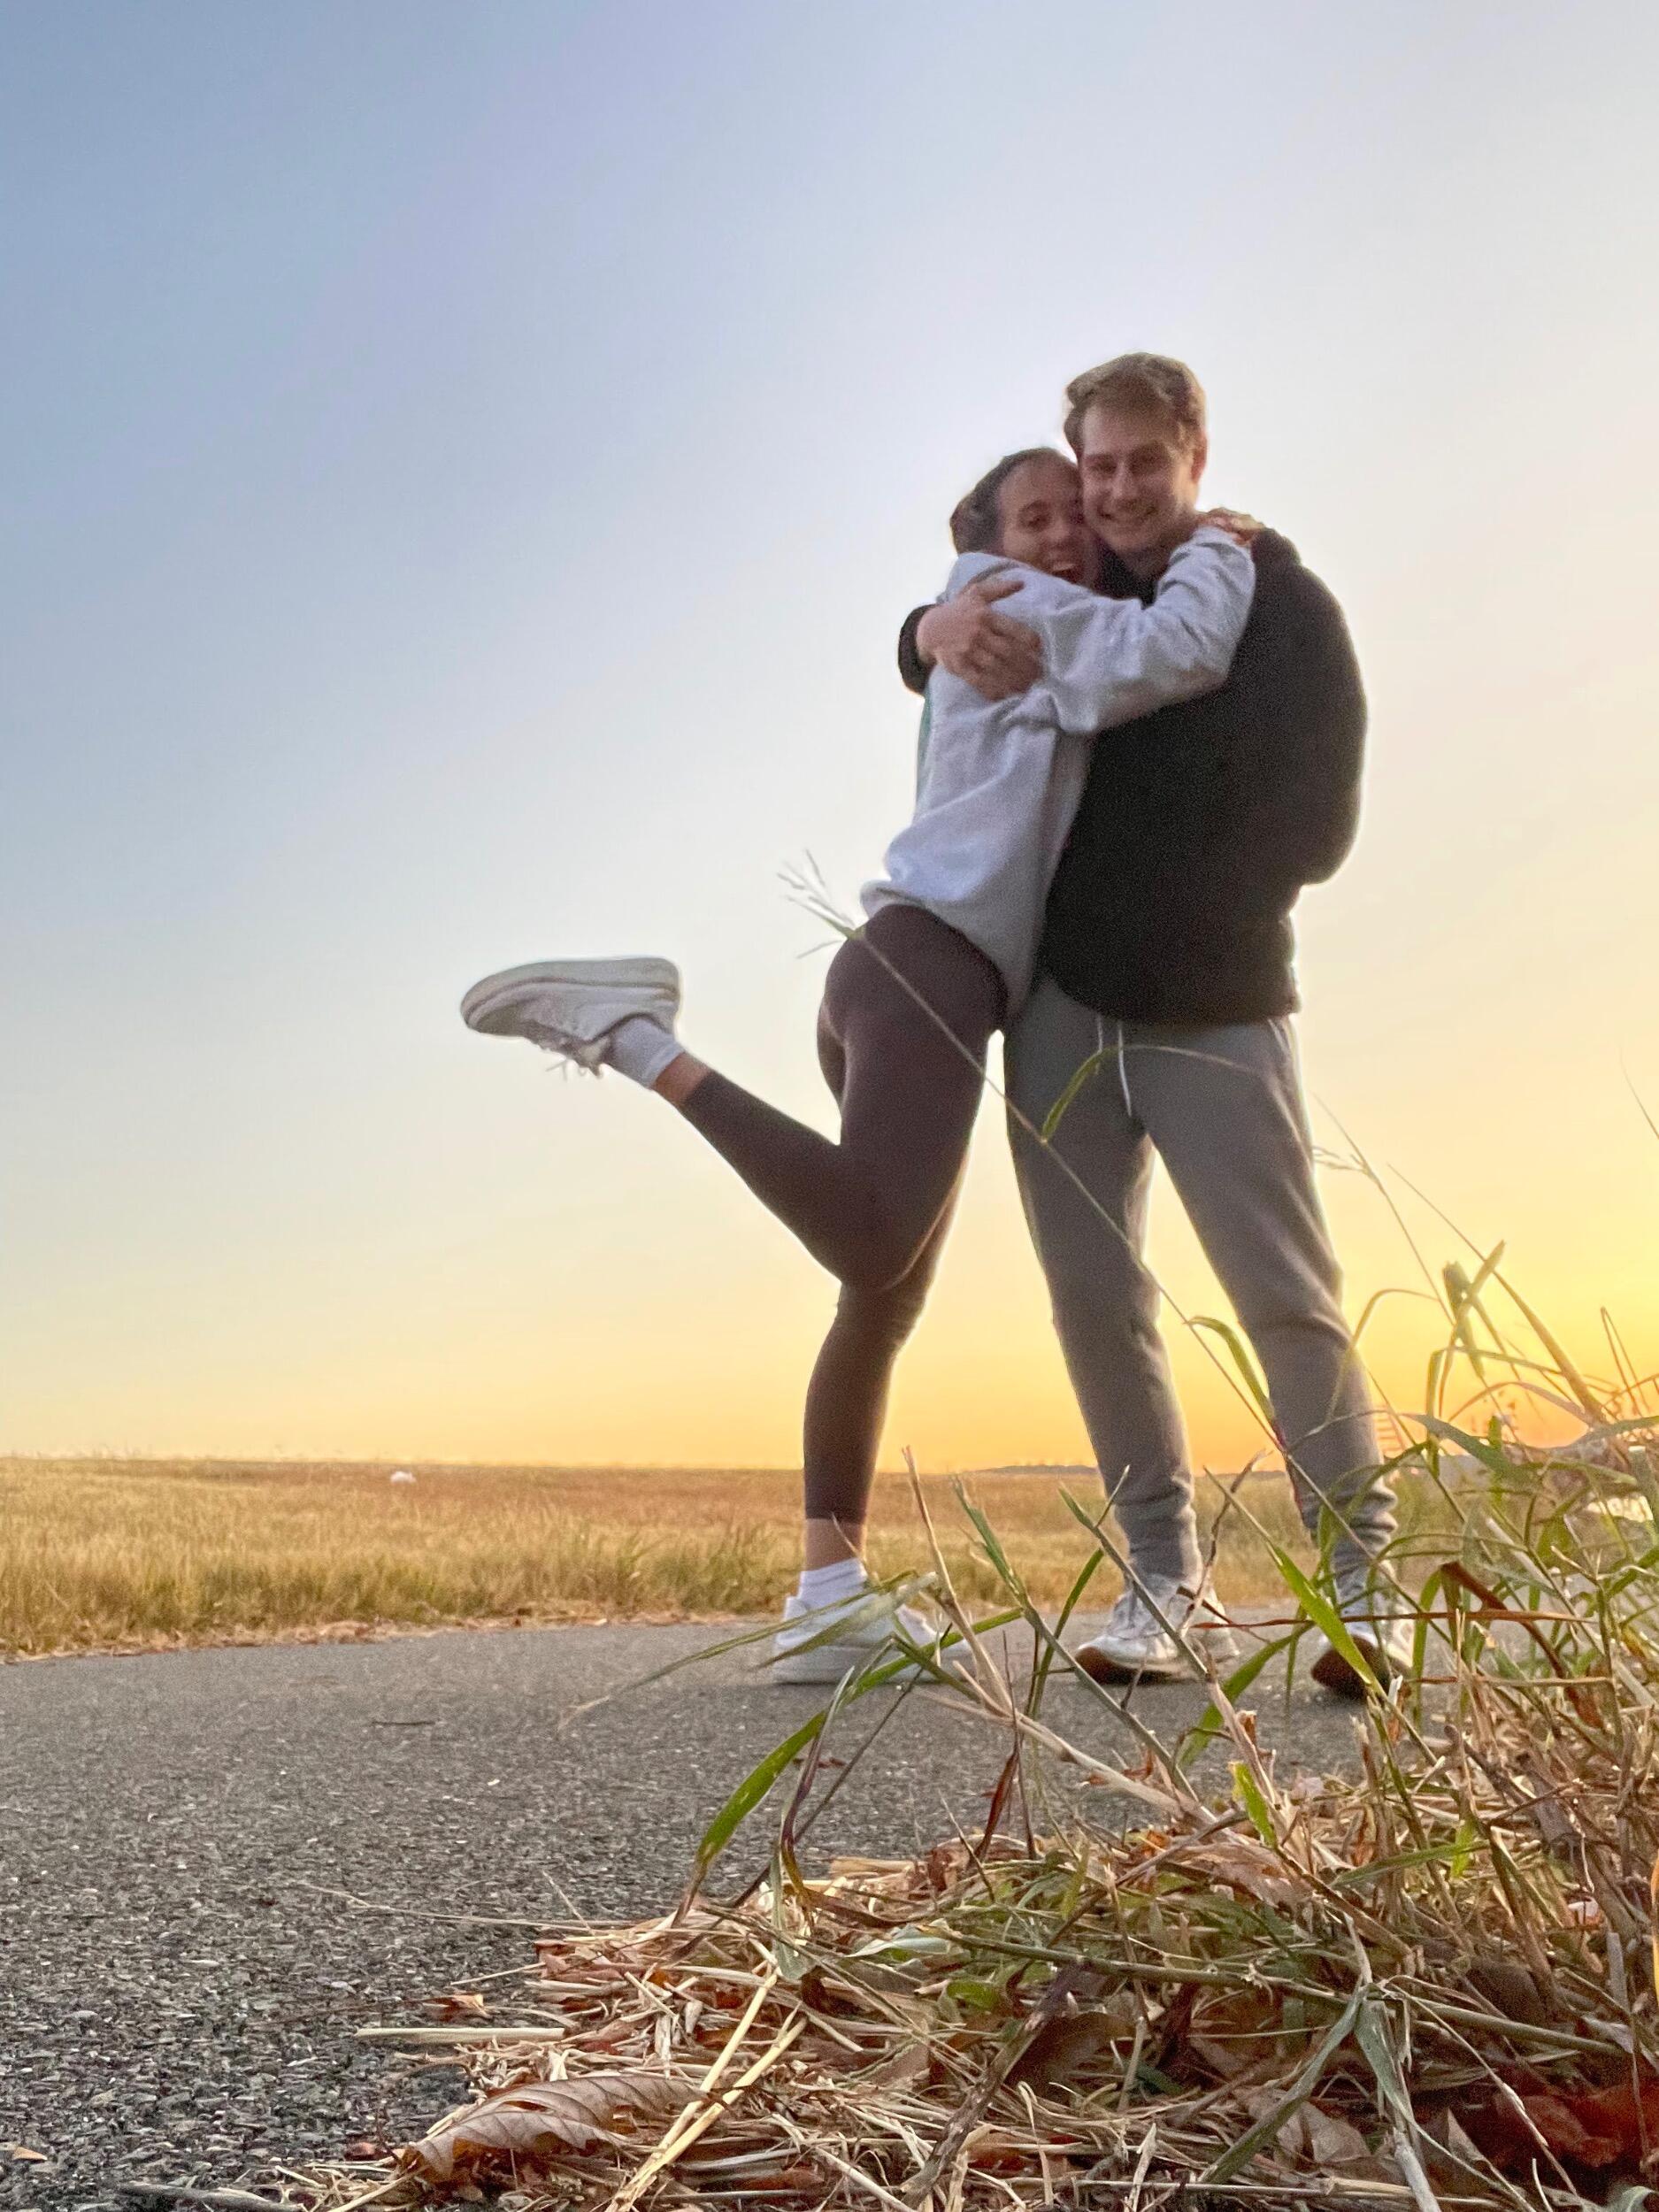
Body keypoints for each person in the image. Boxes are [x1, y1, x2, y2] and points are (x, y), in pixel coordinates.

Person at [461, 446, 1255, 1683]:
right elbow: (1178, 652)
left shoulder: (977, 613)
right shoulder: (1024, 606)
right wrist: (1216, 546)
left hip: (889, 973)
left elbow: (961, 641)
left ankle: (827, 1599)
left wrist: (924, 630)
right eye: (1034, 517)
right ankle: (634, 1038)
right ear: (984, 544)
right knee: (877, 1247)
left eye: (1072, 519)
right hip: (932, 963)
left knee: (879, 1301)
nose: (1063, 536)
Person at [899, 353, 1404, 1698]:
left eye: (1142, 464)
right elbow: (962, 626)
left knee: (1284, 1297)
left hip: (1217, 999)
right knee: (1094, 1301)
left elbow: (1321, 828)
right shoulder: (1062, 589)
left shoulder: (1276, 597)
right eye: (1097, 468)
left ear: (1195, 457)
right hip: (1057, 1007)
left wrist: (1181, 890)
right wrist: (924, 630)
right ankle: (1168, 1586)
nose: (1116, 492)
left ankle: (1364, 1588)